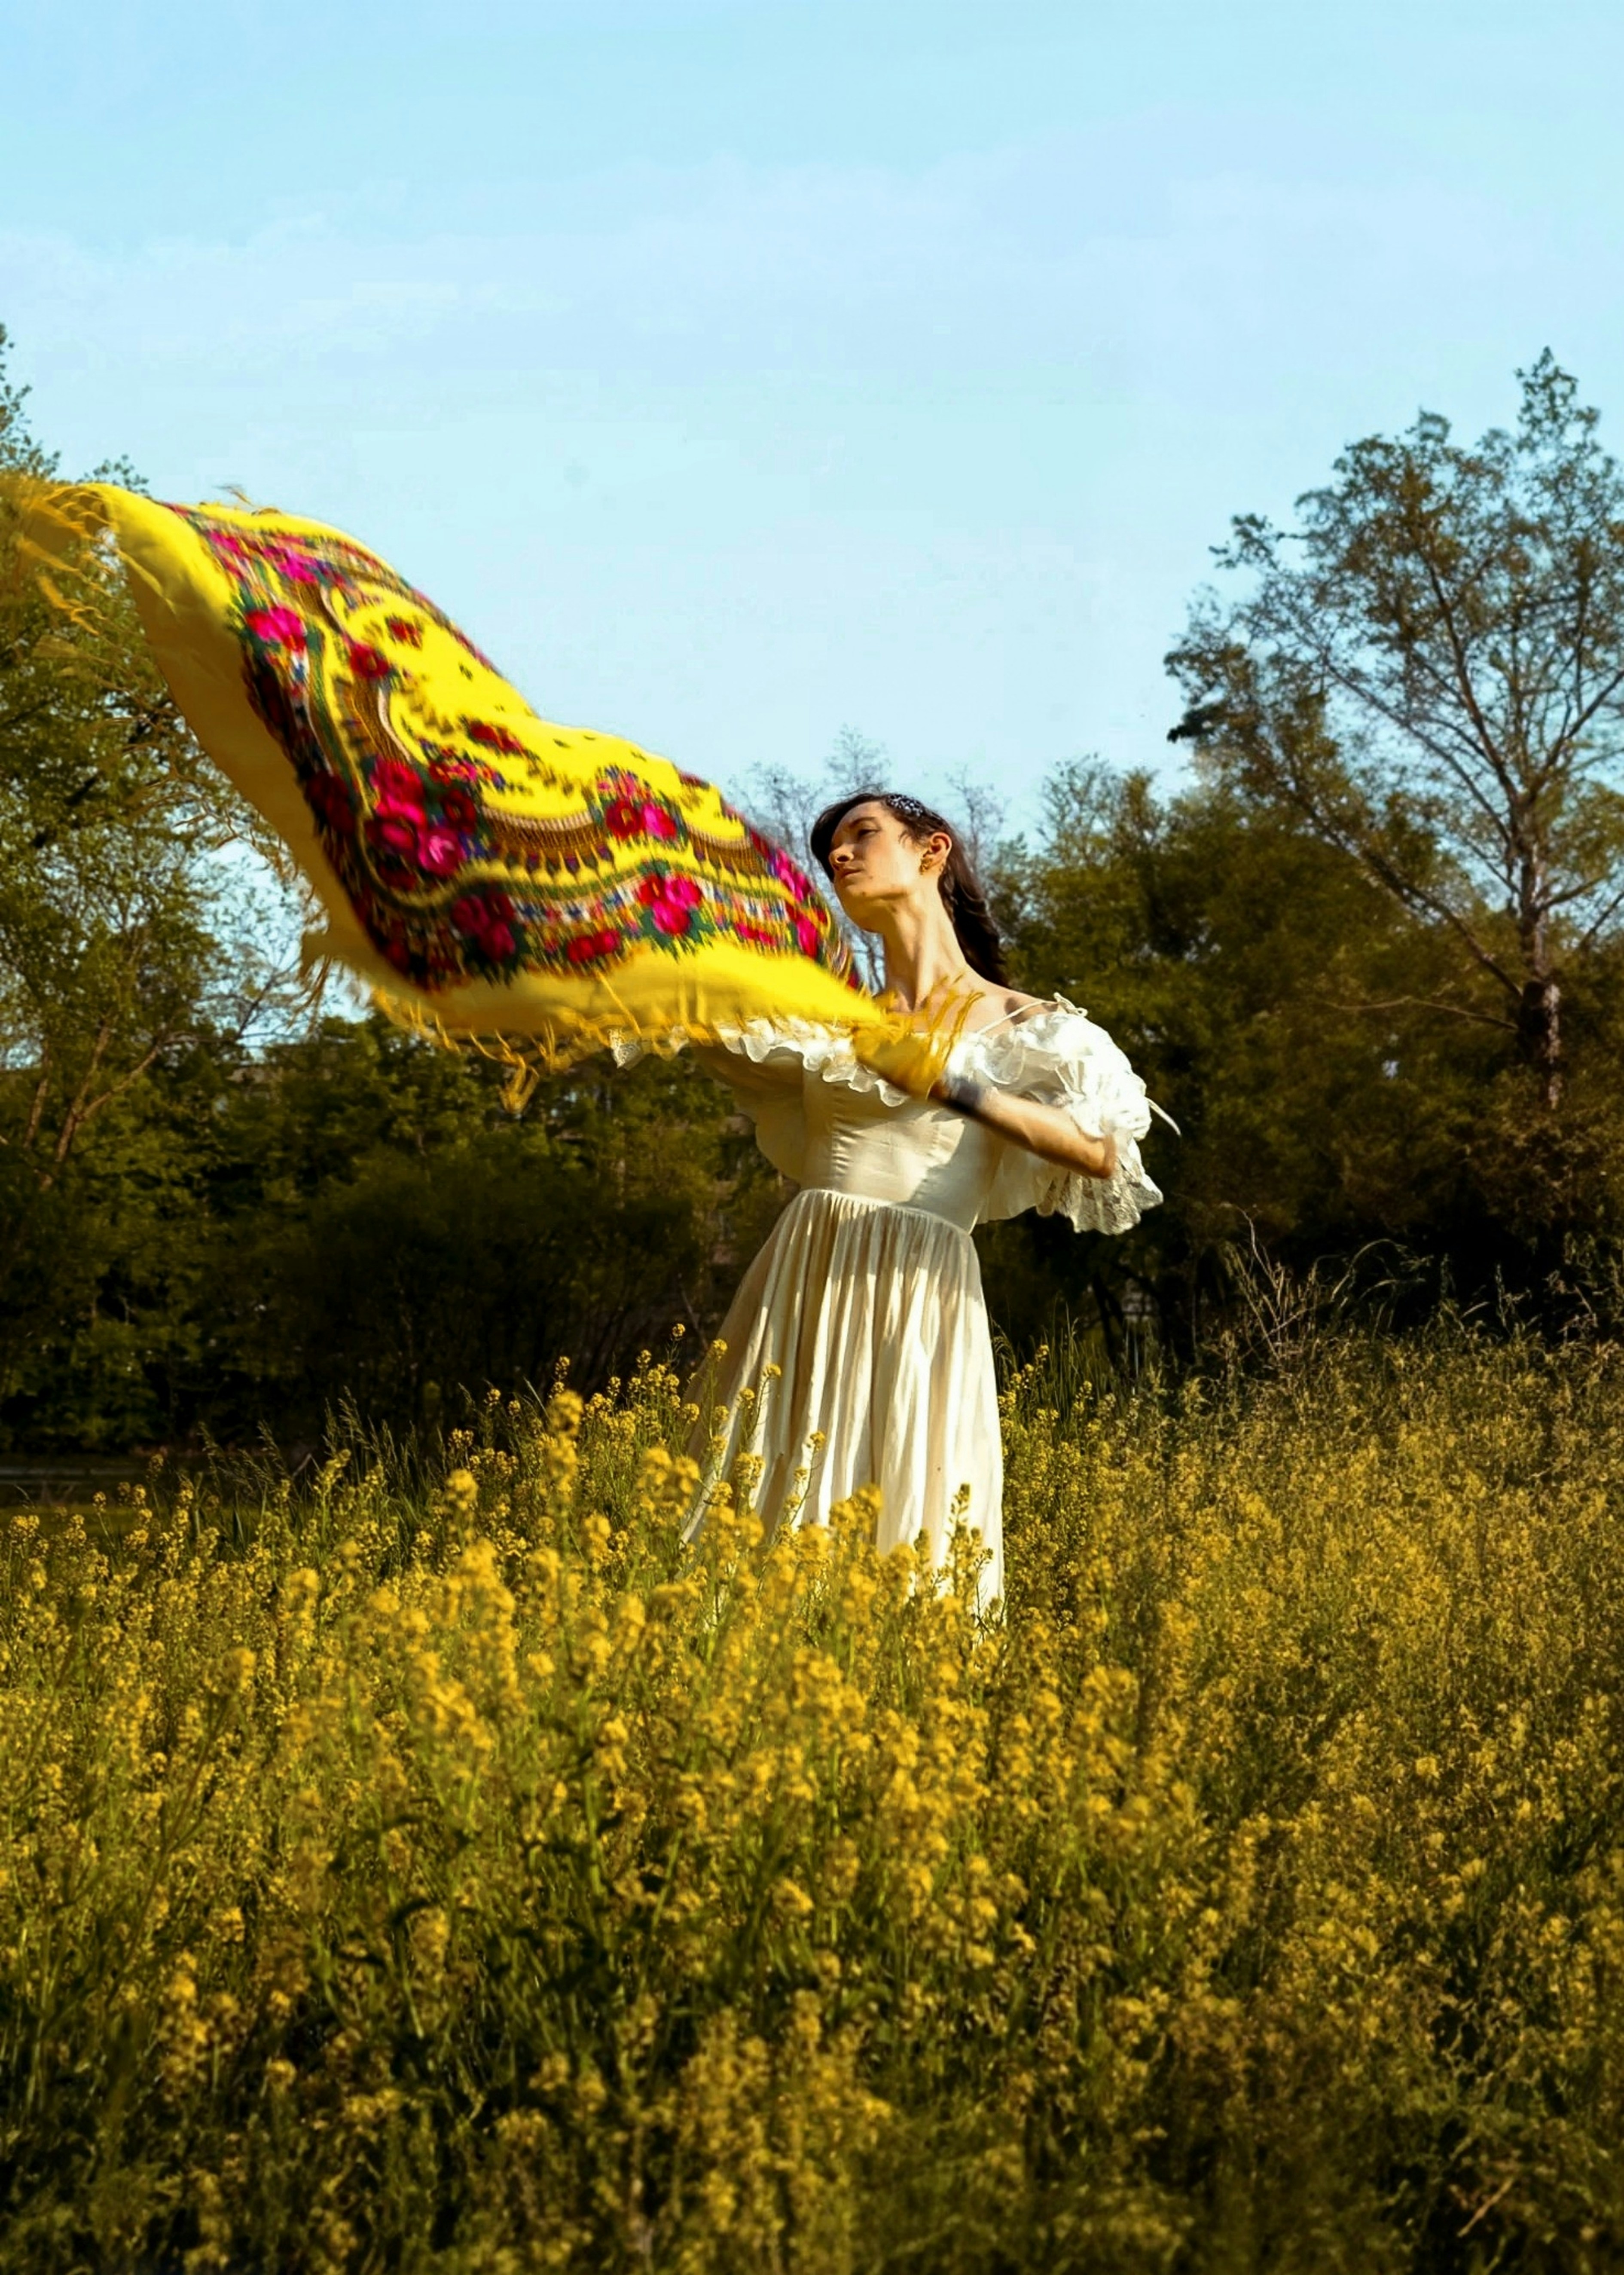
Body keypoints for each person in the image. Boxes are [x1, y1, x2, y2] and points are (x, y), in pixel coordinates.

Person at [665, 789, 1163, 1608]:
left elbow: (1105, 1151)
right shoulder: (828, 1023)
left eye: (863, 836)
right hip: (807, 1279)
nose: (842, 858)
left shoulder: (1028, 1027)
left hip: (921, 1292)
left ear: (932, 852)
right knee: (756, 1520)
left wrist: (953, 1085)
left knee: (906, 1519)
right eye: (832, 855)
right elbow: (690, 1019)